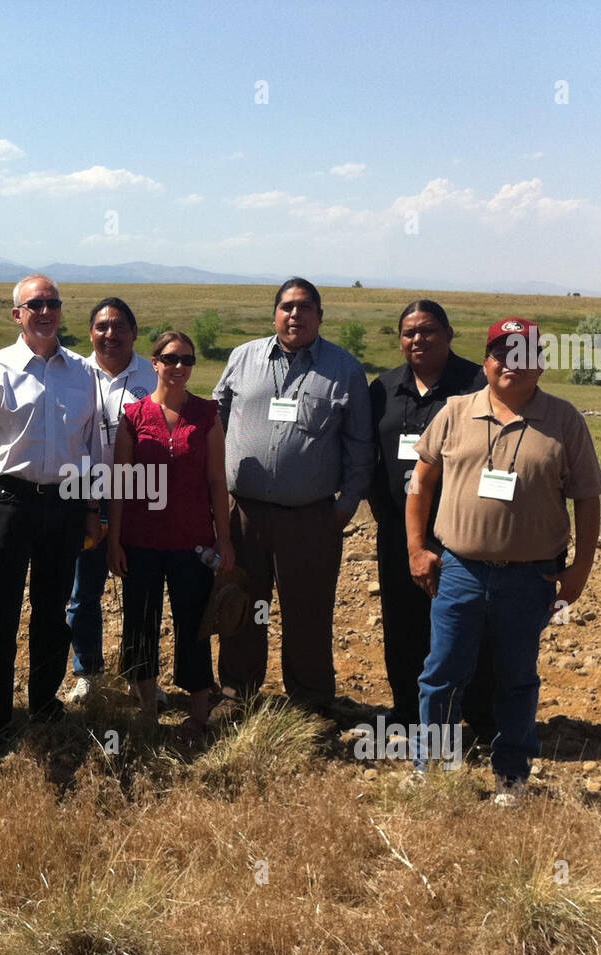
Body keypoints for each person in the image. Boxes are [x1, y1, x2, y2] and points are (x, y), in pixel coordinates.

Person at [407, 317, 601, 807]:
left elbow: (587, 497)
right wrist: (416, 547)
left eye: (523, 354)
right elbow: (420, 483)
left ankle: (511, 777)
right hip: (460, 570)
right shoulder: (455, 412)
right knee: (442, 673)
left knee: (517, 678)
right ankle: (431, 767)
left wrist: (580, 567)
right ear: (486, 361)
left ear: (539, 363)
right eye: (501, 353)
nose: (510, 364)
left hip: (530, 576)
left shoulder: (564, 420)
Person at [212, 277, 372, 709]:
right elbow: (217, 419)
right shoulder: (243, 358)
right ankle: (236, 692)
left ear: (320, 315)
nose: (294, 314)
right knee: (241, 605)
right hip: (243, 512)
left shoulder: (345, 369)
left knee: (308, 611)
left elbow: (361, 446)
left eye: (304, 307)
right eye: (286, 306)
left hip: (310, 517)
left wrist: (344, 507)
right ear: (275, 313)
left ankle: (311, 699)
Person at [0, 274, 102, 739]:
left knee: (52, 610)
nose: (46, 312)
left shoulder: (84, 373)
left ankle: (44, 703)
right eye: (35, 304)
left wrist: (92, 508)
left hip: (64, 505)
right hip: (7, 502)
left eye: (53, 303)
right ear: (17, 314)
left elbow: (91, 448)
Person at [368, 299, 496, 738]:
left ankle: (474, 719)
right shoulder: (383, 388)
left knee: (464, 624)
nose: (417, 339)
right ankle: (408, 711)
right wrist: (387, 516)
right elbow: (368, 457)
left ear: (449, 334)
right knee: (402, 621)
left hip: (460, 532)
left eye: (428, 331)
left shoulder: (477, 386)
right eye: (409, 332)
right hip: (400, 531)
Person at [108, 332, 233, 738]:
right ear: (154, 362)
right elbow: (121, 482)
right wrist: (114, 541)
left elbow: (217, 480)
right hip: (141, 540)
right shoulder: (134, 415)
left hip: (193, 541)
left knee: (193, 623)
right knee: (140, 623)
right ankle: (147, 707)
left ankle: (199, 710)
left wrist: (224, 538)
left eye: (187, 360)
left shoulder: (207, 414)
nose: (179, 367)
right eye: (170, 358)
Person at [66, 297, 158, 705]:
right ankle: (88, 672)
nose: (110, 334)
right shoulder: (75, 373)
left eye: (119, 326)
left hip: (139, 495)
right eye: (101, 327)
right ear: (91, 333)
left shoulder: (152, 377)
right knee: (83, 592)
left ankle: (142, 678)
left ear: (134, 333)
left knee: (142, 591)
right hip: (83, 494)